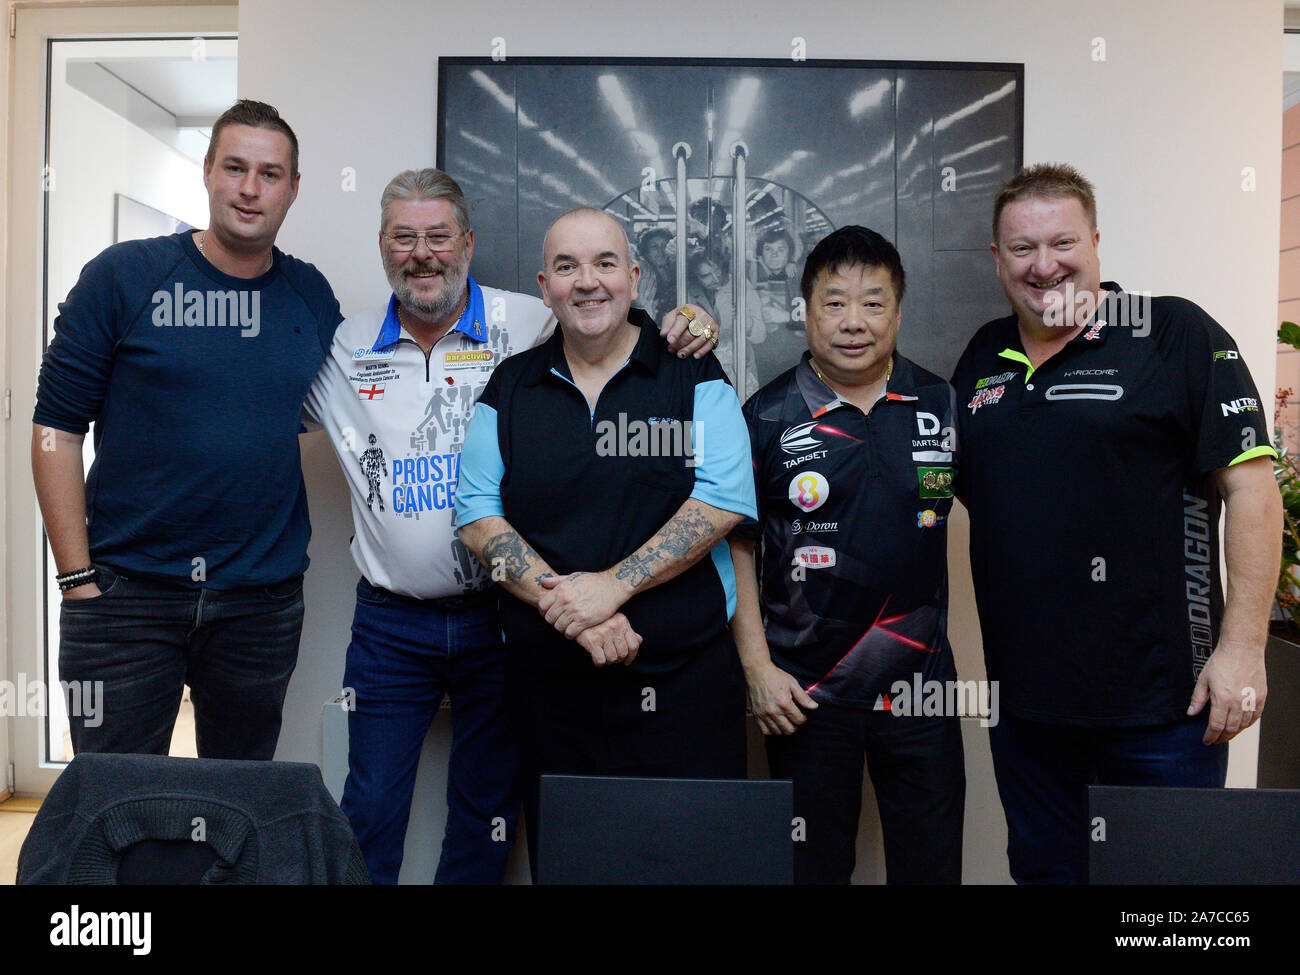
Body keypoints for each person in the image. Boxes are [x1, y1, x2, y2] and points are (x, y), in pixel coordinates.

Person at [303, 172, 722, 884]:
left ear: (467, 242)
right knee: (369, 806)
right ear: (382, 247)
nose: (422, 254)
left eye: (439, 236)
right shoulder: (340, 347)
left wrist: (689, 320)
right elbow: (247, 409)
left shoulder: (530, 319)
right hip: (391, 626)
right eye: (404, 237)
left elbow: (615, 326)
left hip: (509, 613)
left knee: (487, 810)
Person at [951, 162, 1283, 884]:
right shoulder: (981, 359)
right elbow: (992, 496)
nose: (1044, 266)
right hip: (1030, 713)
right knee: (1045, 875)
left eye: (1062, 242)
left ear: (1096, 241)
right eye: (1021, 249)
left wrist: (1244, 650)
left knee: (1165, 903)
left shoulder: (1175, 333)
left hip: (1165, 706)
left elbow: (1254, 490)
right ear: (996, 259)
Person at [31, 100, 342, 760]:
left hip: (260, 605)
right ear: (207, 172)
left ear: (293, 187)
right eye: (234, 167)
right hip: (125, 600)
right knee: (114, 801)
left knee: (238, 803)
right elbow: (56, 427)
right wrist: (76, 581)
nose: (250, 188)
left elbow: (319, 408)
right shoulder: (124, 276)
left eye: (269, 173)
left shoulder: (311, 296)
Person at [455, 207, 756, 873]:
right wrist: (577, 612)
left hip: (687, 692)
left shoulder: (692, 374)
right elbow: (477, 516)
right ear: (544, 285)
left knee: (695, 869)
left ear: (634, 276)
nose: (586, 282)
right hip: (553, 694)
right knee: (573, 868)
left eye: (604, 263)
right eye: (566, 267)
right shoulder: (510, 386)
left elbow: (722, 499)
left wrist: (611, 587)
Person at [731, 225, 966, 884]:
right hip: (805, 693)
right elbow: (738, 548)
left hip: (922, 692)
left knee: (931, 869)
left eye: (873, 302)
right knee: (813, 870)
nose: (853, 322)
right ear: (805, 310)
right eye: (834, 303)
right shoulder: (766, 415)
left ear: (898, 310)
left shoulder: (941, 402)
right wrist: (757, 667)